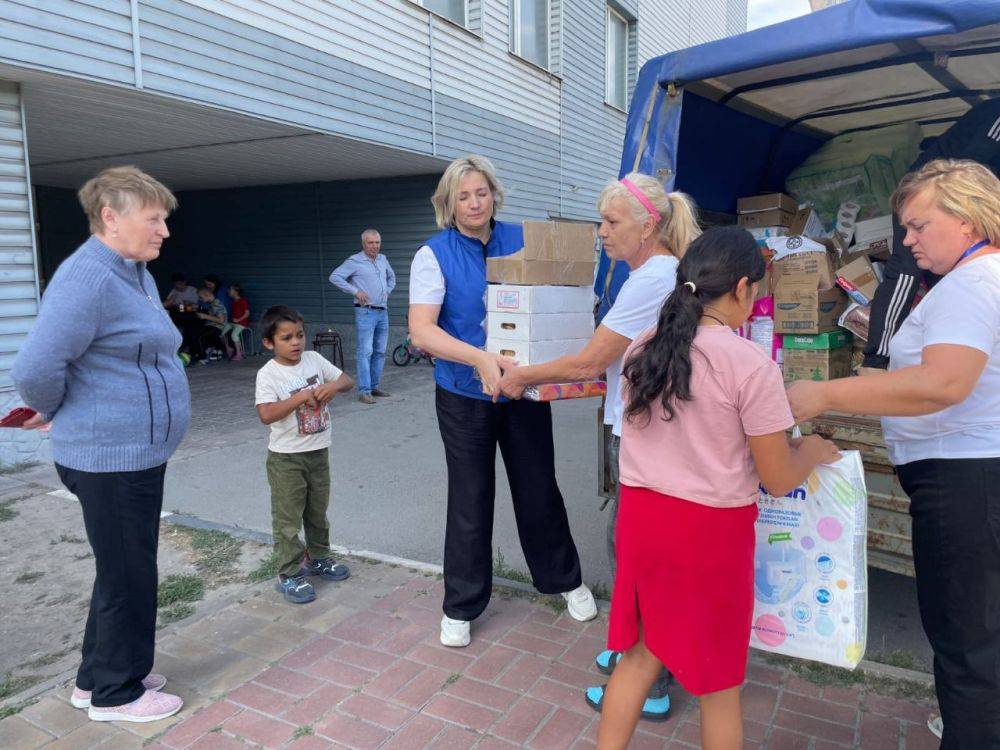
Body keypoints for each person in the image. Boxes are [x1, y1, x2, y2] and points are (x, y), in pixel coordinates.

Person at [596, 226, 839, 750]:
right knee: (719, 684)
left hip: (642, 521)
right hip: (709, 534)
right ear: (745, 288)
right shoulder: (750, 365)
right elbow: (776, 475)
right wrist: (812, 452)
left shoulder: (642, 348)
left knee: (639, 657)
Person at [787, 159, 1000, 750]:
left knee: (964, 642)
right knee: (978, 633)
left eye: (917, 226)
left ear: (966, 219)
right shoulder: (979, 280)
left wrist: (825, 393)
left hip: (964, 483)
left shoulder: (973, 285)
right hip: (970, 477)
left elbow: (942, 384)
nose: (905, 240)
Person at [496, 172, 701, 720]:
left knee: (636, 553)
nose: (601, 234)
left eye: (611, 223)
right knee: (629, 543)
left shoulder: (651, 279)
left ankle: (649, 679)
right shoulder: (651, 275)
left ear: (648, 225)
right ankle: (636, 650)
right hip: (638, 425)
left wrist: (523, 375)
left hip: (643, 434)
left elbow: (590, 359)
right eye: (600, 223)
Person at [11, 165, 191, 723]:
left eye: (165, 219)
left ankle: (96, 678)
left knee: (122, 567)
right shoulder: (87, 276)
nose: (164, 230)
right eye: (154, 219)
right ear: (111, 218)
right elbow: (37, 366)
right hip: (107, 458)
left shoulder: (132, 271)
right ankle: (118, 693)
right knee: (128, 573)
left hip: (134, 454)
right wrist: (54, 407)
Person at [408, 154, 596, 649]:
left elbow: (560, 300)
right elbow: (422, 330)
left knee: (538, 488)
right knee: (470, 498)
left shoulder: (522, 241)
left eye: (481, 192)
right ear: (447, 203)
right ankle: (462, 604)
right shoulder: (435, 254)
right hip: (463, 395)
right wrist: (479, 359)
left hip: (525, 390)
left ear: (495, 194)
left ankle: (564, 579)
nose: (474, 203)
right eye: (463, 195)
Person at [864, 98, 1000, 369]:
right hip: (927, 195)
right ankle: (876, 361)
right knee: (905, 271)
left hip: (962, 199)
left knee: (959, 278)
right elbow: (971, 168)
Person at [255, 305, 355, 604]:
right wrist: (298, 397)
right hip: (286, 458)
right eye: (286, 338)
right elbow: (266, 414)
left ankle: (319, 558)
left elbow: (347, 380)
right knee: (287, 518)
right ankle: (289, 574)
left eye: (300, 335)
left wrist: (332, 387)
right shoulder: (268, 374)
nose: (296, 342)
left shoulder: (313, 359)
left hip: (318, 452)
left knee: (317, 512)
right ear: (269, 343)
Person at [329, 229, 396, 404]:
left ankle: (374, 386)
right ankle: (364, 391)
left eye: (377, 243)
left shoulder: (383, 259)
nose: (375, 246)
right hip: (365, 311)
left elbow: (392, 278)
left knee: (380, 352)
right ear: (363, 243)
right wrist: (355, 291)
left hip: (383, 311)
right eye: (370, 243)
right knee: (365, 352)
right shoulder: (355, 261)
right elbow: (335, 277)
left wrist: (387, 292)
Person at [194, 287, 227, 363]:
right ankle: (208, 352)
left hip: (216, 327)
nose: (200, 299)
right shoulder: (212, 303)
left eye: (201, 297)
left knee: (199, 336)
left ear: (207, 295)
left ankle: (203, 356)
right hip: (211, 326)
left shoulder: (216, 304)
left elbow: (221, 320)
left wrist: (205, 316)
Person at [224, 284, 250, 360]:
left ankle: (239, 354)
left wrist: (238, 320)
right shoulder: (233, 301)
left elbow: (247, 313)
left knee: (234, 335)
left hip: (242, 323)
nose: (228, 291)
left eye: (230, 290)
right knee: (222, 332)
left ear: (236, 292)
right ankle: (229, 349)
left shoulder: (243, 300)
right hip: (233, 323)